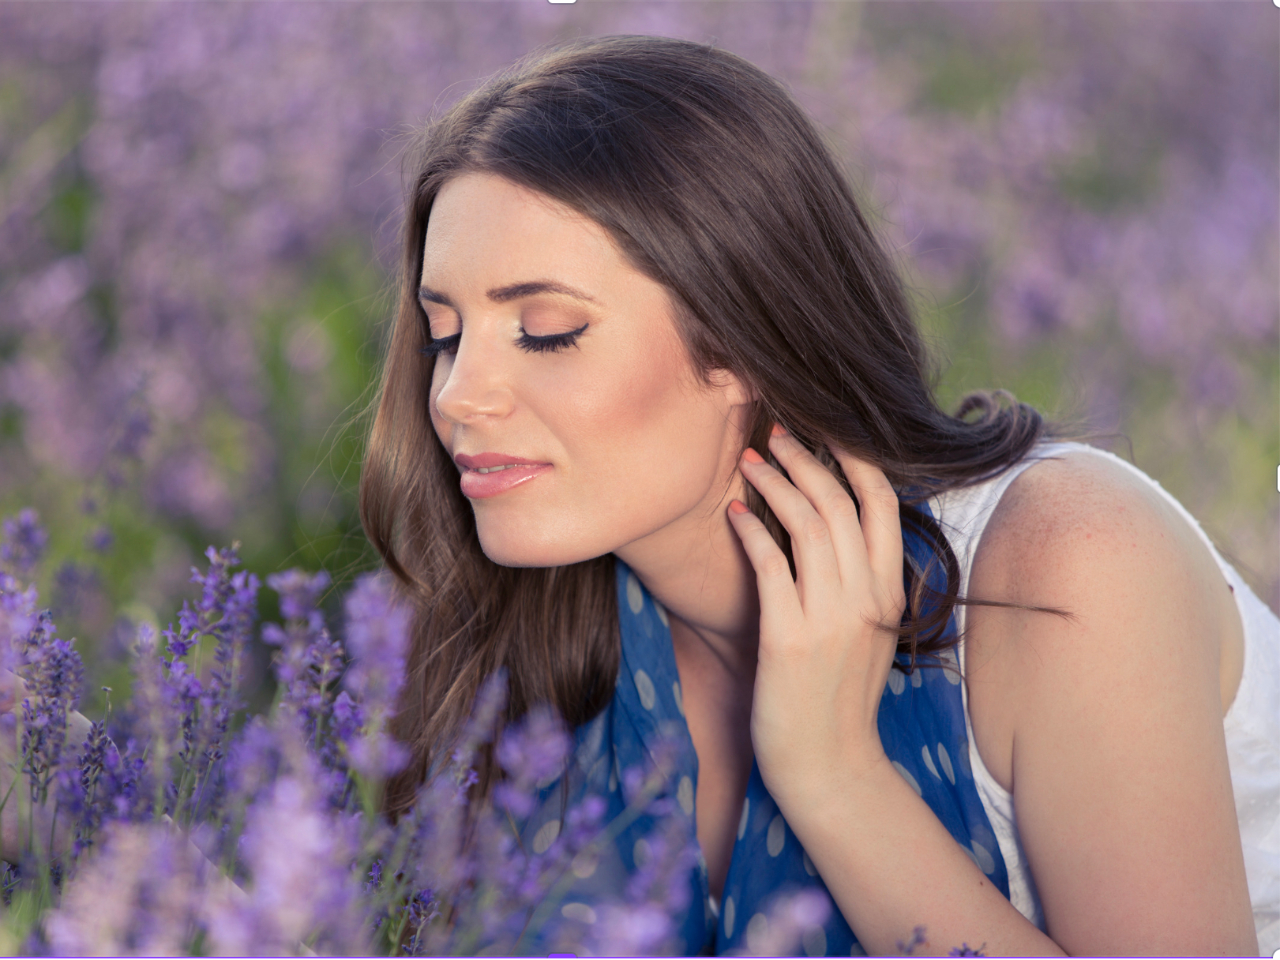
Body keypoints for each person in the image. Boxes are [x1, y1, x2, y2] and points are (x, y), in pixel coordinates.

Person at [359, 34, 1279, 956]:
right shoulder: (538, 638)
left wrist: (833, 775)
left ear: (739, 340)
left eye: (546, 331)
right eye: (445, 335)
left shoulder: (1066, 564)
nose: (458, 395)